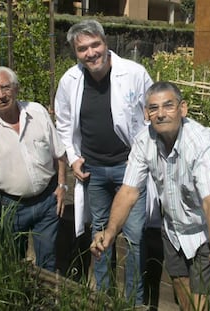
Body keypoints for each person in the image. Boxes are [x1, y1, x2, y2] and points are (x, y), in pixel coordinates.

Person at [91, 81, 210, 311]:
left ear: (183, 109)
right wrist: (110, 232)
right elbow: (129, 191)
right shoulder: (144, 141)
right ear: (146, 114)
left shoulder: (199, 143)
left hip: (206, 225)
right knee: (179, 281)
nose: (160, 114)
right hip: (173, 224)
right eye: (153, 108)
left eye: (168, 106)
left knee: (200, 296)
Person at [54, 19, 156, 305]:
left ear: (105, 42)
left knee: (134, 235)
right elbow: (63, 122)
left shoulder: (134, 73)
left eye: (95, 44)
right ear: (76, 52)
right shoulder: (69, 80)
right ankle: (102, 295)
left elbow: (152, 112)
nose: (91, 53)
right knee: (99, 229)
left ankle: (133, 301)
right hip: (92, 170)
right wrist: (73, 158)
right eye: (82, 48)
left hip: (130, 168)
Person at [0, 66, 67, 272]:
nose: (1, 95)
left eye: (5, 87)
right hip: (12, 205)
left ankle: (48, 300)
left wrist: (62, 186)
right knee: (11, 260)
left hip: (47, 200)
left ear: (16, 88)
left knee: (49, 259)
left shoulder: (37, 112)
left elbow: (59, 154)